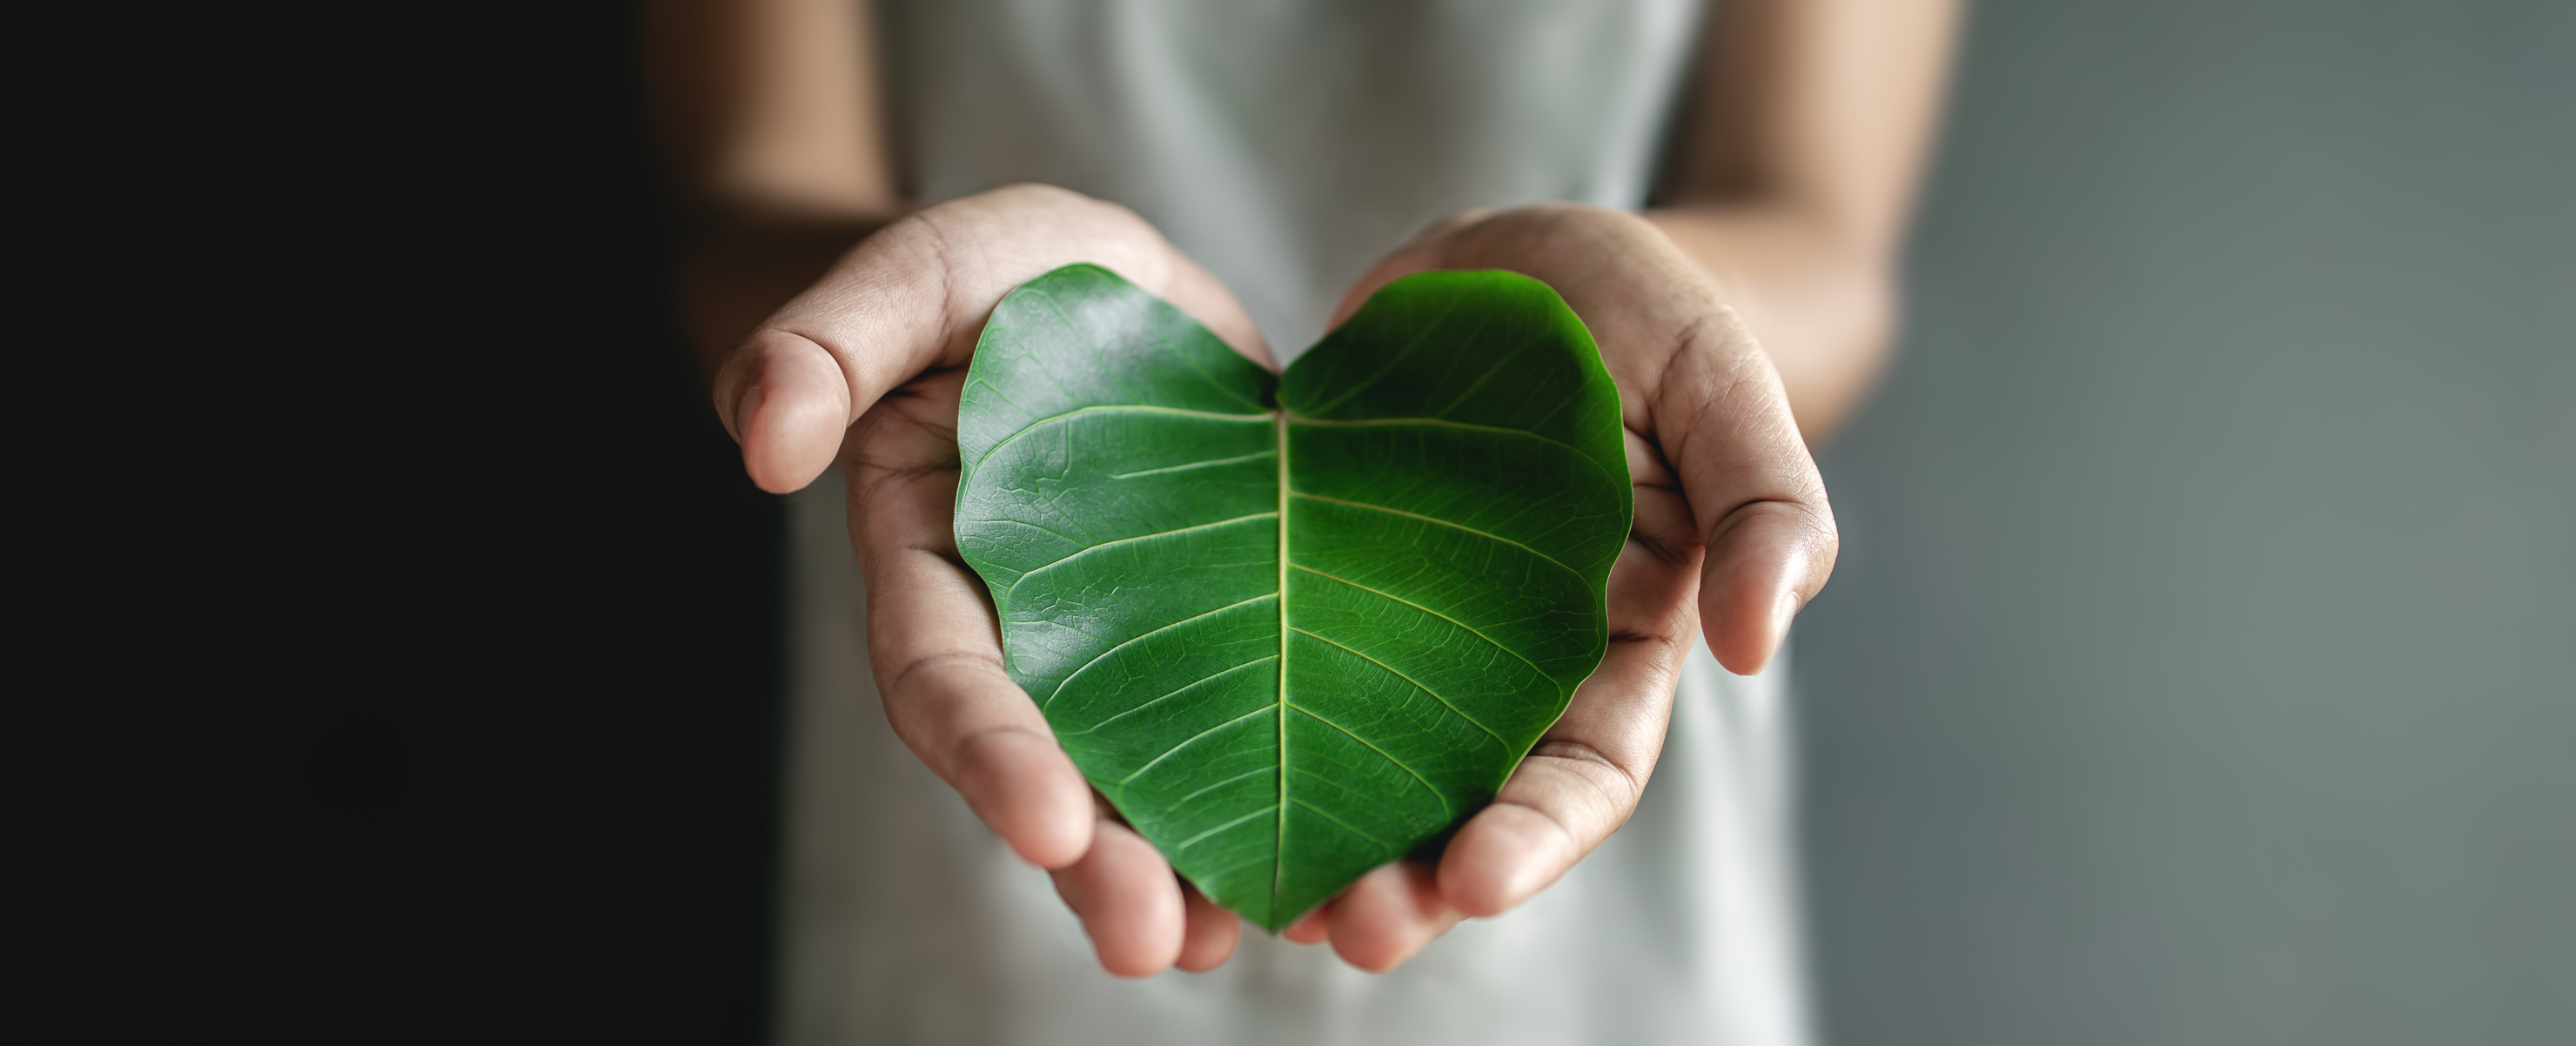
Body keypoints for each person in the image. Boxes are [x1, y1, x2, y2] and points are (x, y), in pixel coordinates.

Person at [647, 1, 1957, 1042]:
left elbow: (1823, 242)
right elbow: (751, 209)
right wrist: (896, 306)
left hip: (1599, 642)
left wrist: (1691, 332)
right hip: (979, 681)